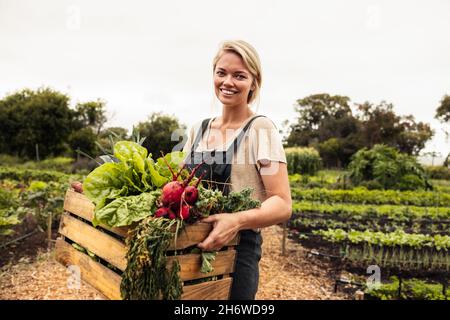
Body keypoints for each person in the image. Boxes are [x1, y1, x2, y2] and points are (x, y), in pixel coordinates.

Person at [181, 40, 292, 300]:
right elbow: (176, 188)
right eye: (221, 73)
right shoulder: (198, 129)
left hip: (236, 254)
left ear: (254, 82)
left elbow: (282, 203)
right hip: (189, 249)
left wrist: (236, 220)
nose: (228, 82)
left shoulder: (260, 129)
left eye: (239, 76)